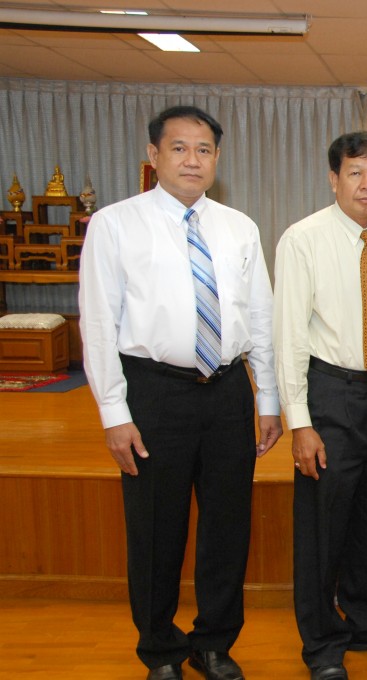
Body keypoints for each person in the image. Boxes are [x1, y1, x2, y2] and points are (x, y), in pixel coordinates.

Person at [79, 105, 282, 680]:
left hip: (225, 393)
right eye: (179, 148)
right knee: (155, 530)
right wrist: (114, 413)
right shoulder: (115, 225)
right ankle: (161, 650)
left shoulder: (239, 227)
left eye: (204, 150)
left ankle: (213, 642)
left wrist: (267, 398)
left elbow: (260, 318)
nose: (193, 159)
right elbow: (97, 324)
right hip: (153, 392)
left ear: (217, 158)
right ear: (153, 156)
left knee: (227, 527)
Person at [273, 131, 367, 680]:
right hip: (330, 394)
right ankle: (323, 646)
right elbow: (288, 335)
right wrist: (300, 423)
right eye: (355, 172)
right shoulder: (302, 239)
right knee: (323, 526)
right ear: (333, 177)